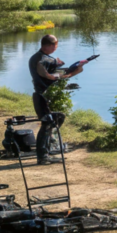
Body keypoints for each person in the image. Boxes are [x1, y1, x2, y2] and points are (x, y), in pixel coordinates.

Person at [28, 34, 82, 165]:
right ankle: (43, 156)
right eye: (55, 45)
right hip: (42, 95)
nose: (56, 48)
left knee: (57, 118)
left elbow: (52, 73)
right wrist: (72, 73)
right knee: (47, 124)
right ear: (50, 45)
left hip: (43, 95)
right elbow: (48, 76)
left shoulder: (41, 58)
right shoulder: (40, 59)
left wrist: (66, 71)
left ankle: (49, 145)